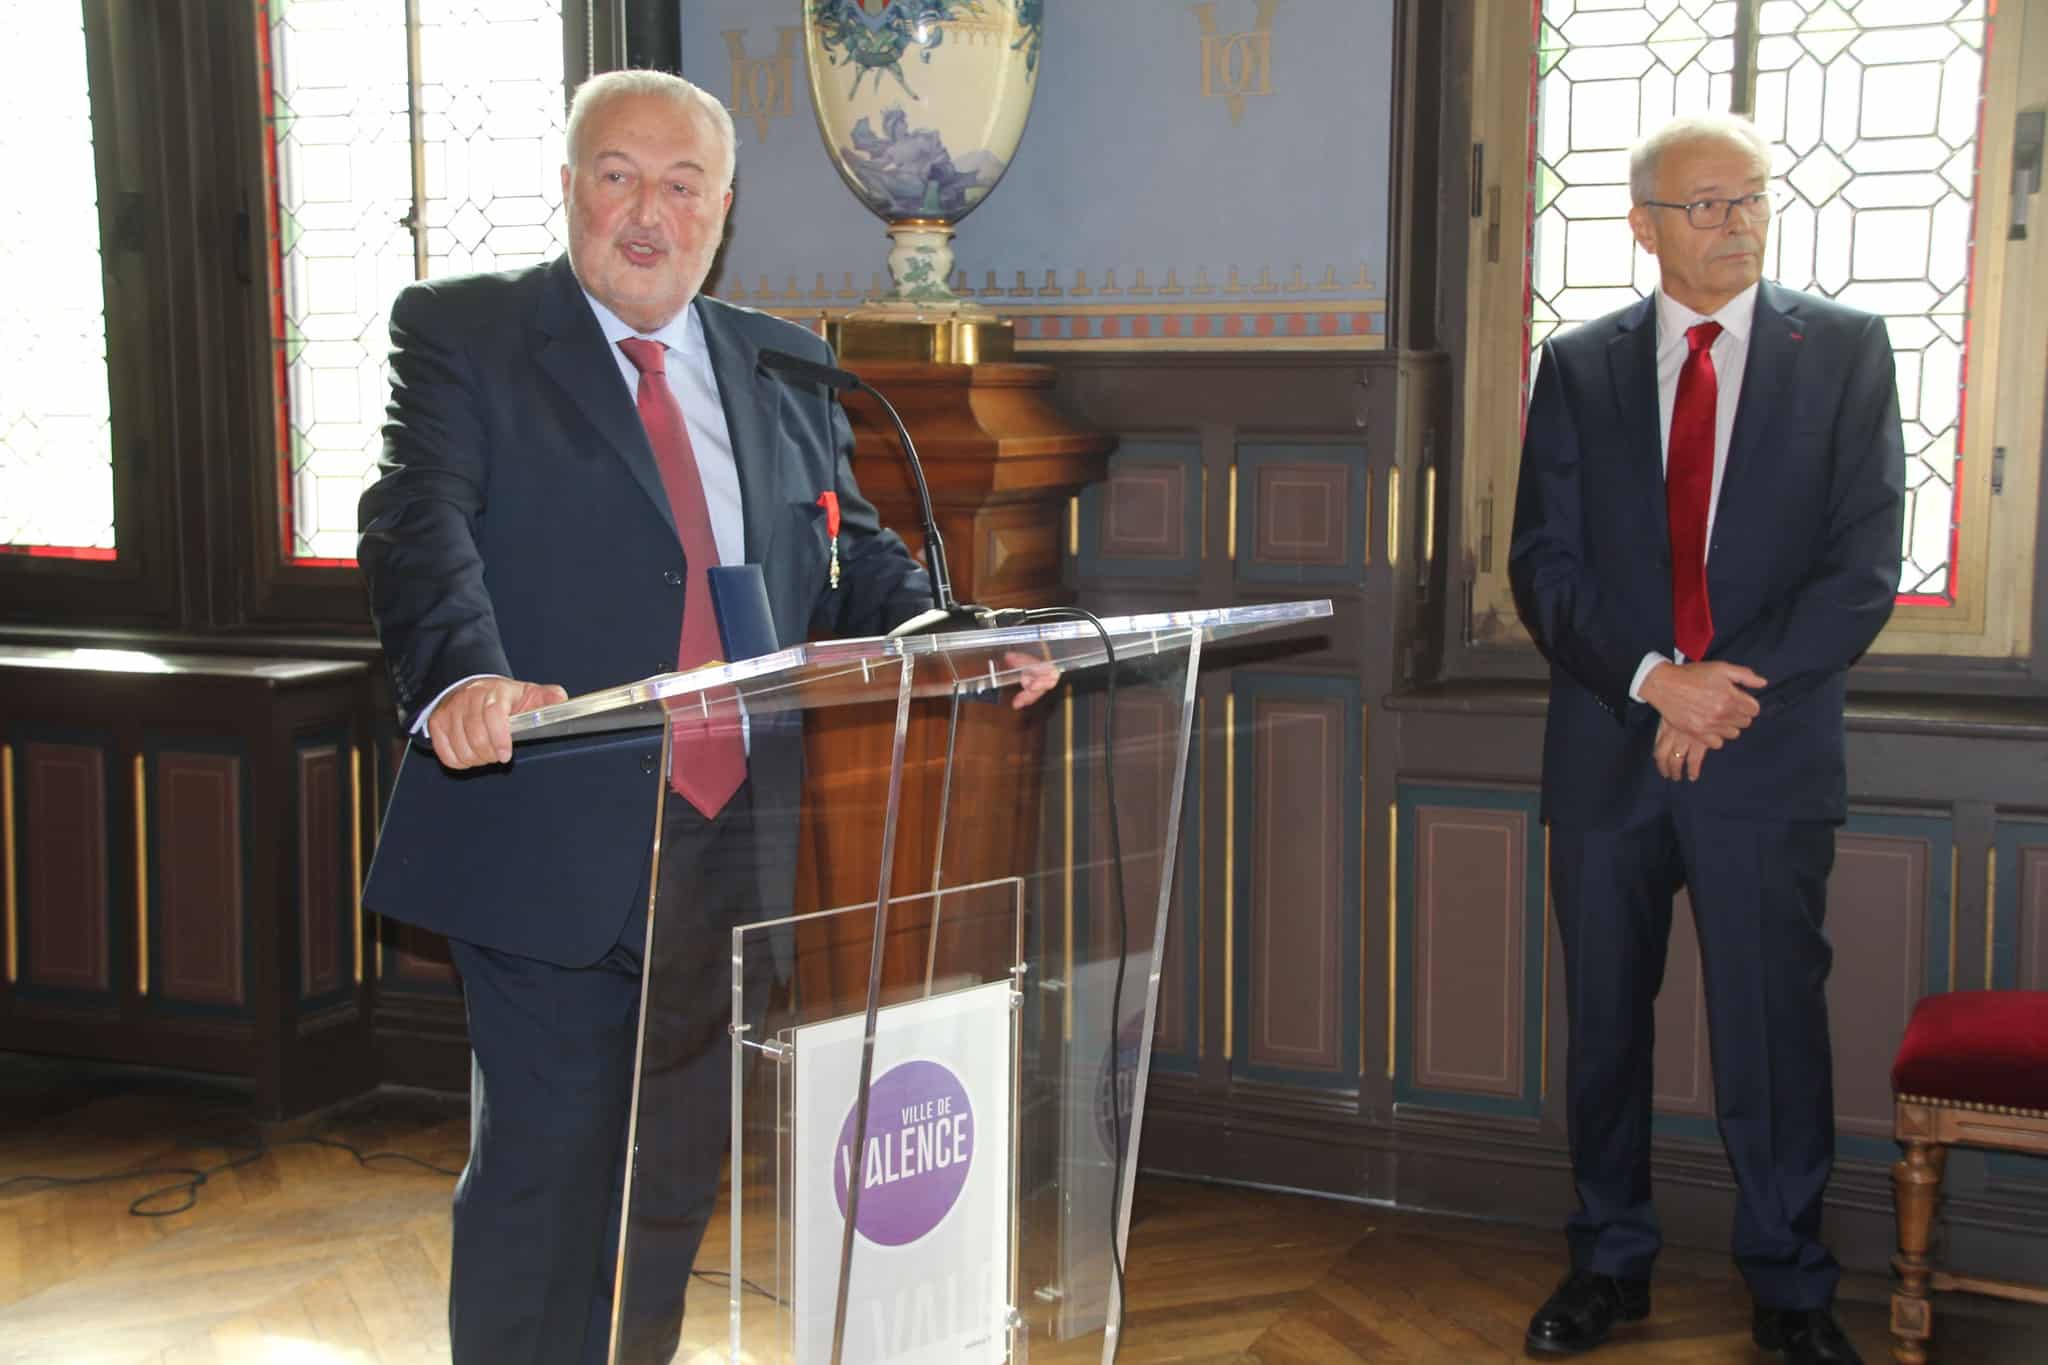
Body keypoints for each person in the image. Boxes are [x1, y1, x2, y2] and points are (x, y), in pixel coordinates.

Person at [357, 70, 1053, 1365]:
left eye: (682, 186)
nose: (648, 213)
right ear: (569, 188)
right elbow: (417, 518)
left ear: (722, 212)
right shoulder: (469, 331)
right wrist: (461, 678)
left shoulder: (781, 361)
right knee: (545, 1174)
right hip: (546, 818)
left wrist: (959, 636)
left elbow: (851, 558)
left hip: (734, 837)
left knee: (671, 1178)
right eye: (618, 175)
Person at [1508, 112, 1904, 1365]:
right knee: (1603, 1030)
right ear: (1642, 225)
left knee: (1771, 1033)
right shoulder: (1578, 366)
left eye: (1750, 198)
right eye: (1704, 204)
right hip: (1607, 748)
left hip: (1764, 748)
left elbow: (1861, 567)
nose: (1734, 222)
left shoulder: (1841, 350)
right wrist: (1652, 684)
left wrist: (1722, 693)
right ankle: (1605, 1264)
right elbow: (1542, 565)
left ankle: (1789, 1287)